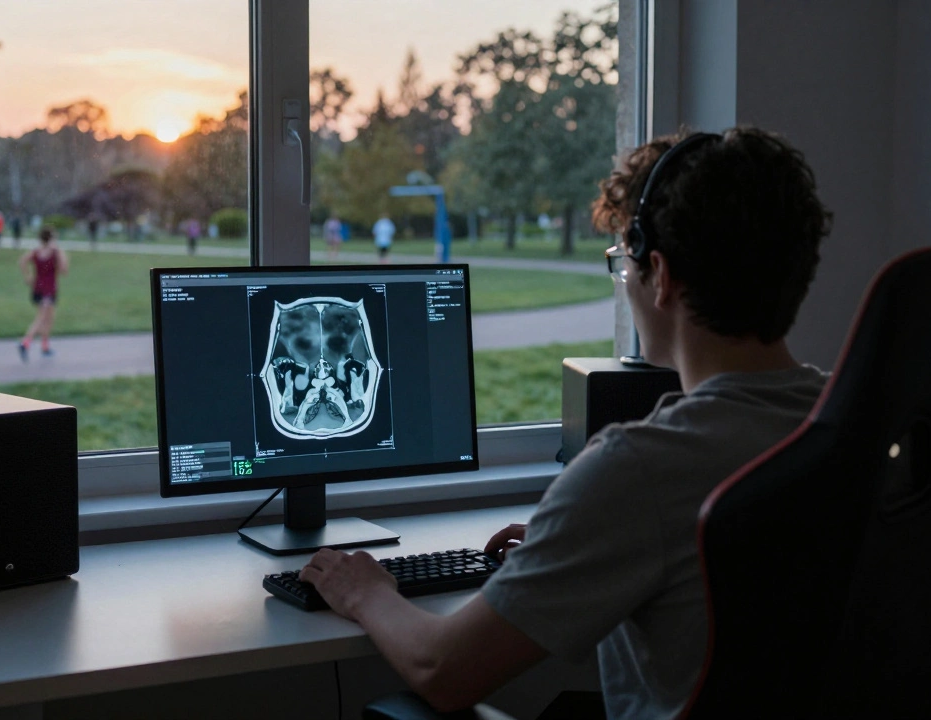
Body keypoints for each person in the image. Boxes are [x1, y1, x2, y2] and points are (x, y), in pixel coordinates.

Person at [296, 127, 834, 719]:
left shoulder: (640, 469)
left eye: (622, 261)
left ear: (662, 275)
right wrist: (576, 540)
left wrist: (366, 593)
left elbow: (441, 671)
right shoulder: (853, 424)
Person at [18, 228, 69, 360]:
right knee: (42, 318)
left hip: (38, 288)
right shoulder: (55, 253)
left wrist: (27, 276)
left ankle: (45, 346)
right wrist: (62, 255)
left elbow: (22, 261)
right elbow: (64, 271)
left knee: (49, 318)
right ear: (52, 239)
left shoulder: (36, 252)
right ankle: (25, 342)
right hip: (48, 289)